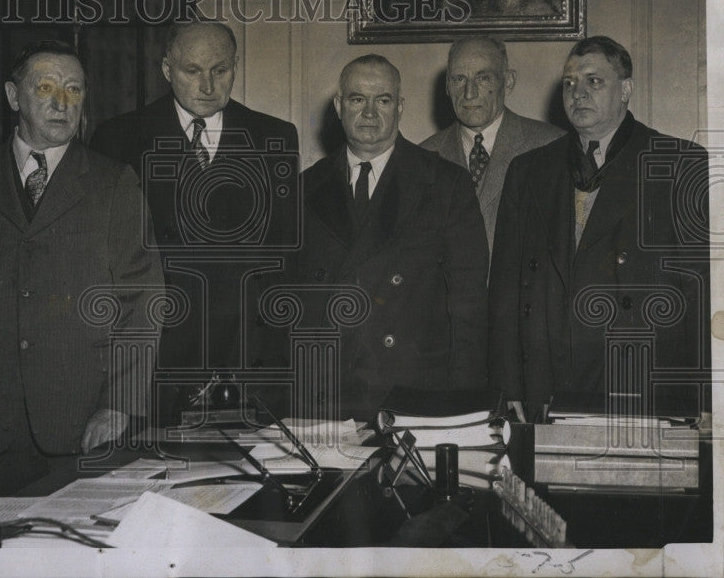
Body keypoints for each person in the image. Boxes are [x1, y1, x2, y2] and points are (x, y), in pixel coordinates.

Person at [0, 40, 163, 494]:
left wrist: (118, 403)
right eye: (46, 87)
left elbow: (145, 300)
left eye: (74, 89)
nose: (62, 102)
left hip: (84, 421)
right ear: (12, 97)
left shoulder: (113, 183)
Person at [490, 36, 710, 421]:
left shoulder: (680, 165)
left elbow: (701, 294)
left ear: (626, 90)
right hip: (547, 386)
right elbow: (505, 292)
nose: (578, 93)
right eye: (570, 83)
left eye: (594, 81)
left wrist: (699, 402)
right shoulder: (529, 171)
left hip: (641, 386)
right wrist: (509, 386)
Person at [90, 21, 299, 421]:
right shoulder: (119, 138)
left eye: (219, 71)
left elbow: (281, 262)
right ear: (167, 70)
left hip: (245, 362)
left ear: (236, 67)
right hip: (156, 361)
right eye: (192, 71)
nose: (207, 86)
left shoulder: (274, 136)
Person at [295, 55, 489, 420]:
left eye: (382, 100)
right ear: (338, 106)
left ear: (399, 107)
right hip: (328, 397)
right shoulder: (305, 188)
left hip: (413, 395)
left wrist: (464, 407)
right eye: (356, 99)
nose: (369, 113)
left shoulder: (444, 184)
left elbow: (470, 310)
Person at [421, 37, 562, 253]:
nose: (469, 93)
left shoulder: (552, 146)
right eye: (459, 79)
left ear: (508, 82)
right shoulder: (423, 157)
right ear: (448, 86)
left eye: (483, 78)